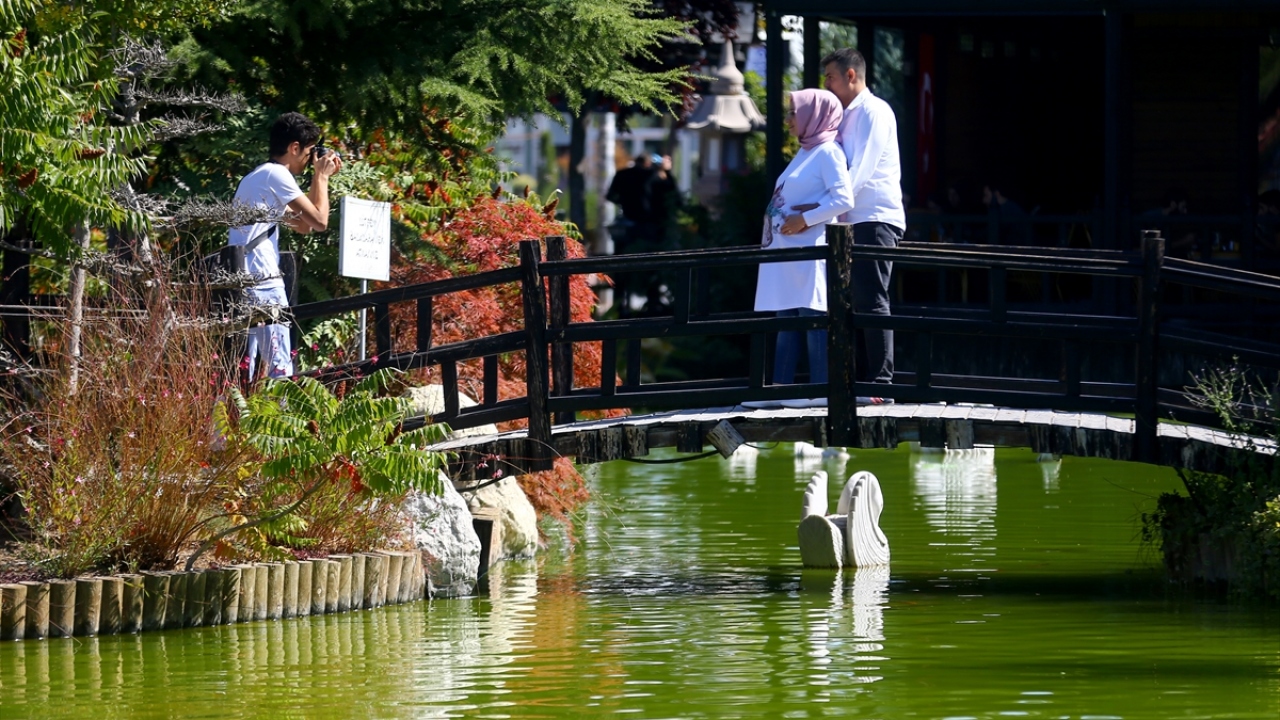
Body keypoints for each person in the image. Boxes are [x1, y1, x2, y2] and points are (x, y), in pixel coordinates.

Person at [745, 88, 854, 409]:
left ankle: (819, 389)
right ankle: (780, 390)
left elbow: (843, 199)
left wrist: (804, 219)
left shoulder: (829, 152)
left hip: (809, 250)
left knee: (811, 315)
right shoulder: (808, 150)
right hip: (788, 253)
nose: (789, 119)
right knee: (788, 317)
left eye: (794, 112)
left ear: (814, 115)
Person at [230, 112, 342, 380]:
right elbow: (320, 221)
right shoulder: (277, 175)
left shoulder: (257, 177)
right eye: (309, 150)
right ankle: (281, 418)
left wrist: (317, 175)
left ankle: (245, 420)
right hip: (264, 282)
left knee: (250, 369)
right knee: (280, 367)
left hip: (243, 279)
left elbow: (303, 225)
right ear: (294, 147)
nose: (310, 157)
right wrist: (323, 178)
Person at [823, 48, 906, 403]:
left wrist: (827, 208)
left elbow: (861, 170)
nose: (826, 84)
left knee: (872, 299)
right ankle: (859, 380)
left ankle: (880, 384)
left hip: (875, 217)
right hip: (848, 221)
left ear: (851, 75)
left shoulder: (874, 111)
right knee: (851, 301)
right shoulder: (844, 116)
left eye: (830, 77)